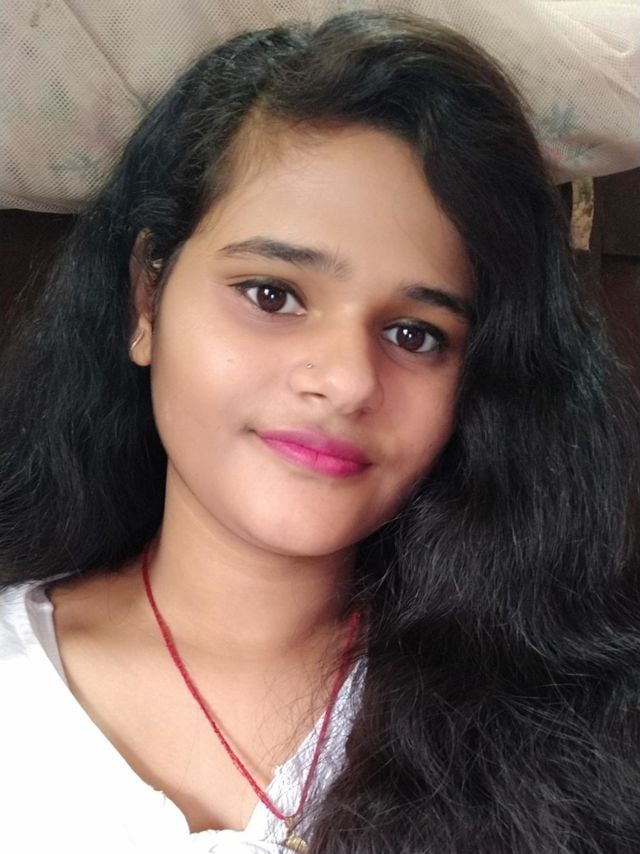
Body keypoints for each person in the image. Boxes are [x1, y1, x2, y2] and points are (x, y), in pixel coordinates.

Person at [1, 9, 639, 853]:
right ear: (147, 299)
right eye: (272, 295)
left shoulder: (574, 723)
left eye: (416, 334)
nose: (346, 381)